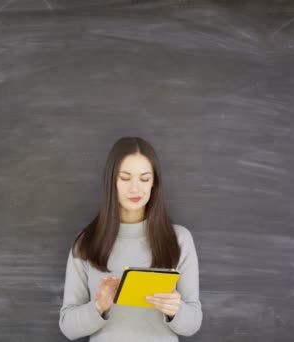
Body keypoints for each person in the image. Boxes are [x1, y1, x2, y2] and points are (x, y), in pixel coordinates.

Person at [59, 137, 202, 341]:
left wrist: (175, 310)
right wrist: (99, 306)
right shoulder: (85, 242)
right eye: (125, 178)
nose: (135, 188)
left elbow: (193, 323)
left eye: (144, 179)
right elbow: (68, 327)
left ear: (154, 183)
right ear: (112, 182)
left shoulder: (179, 239)